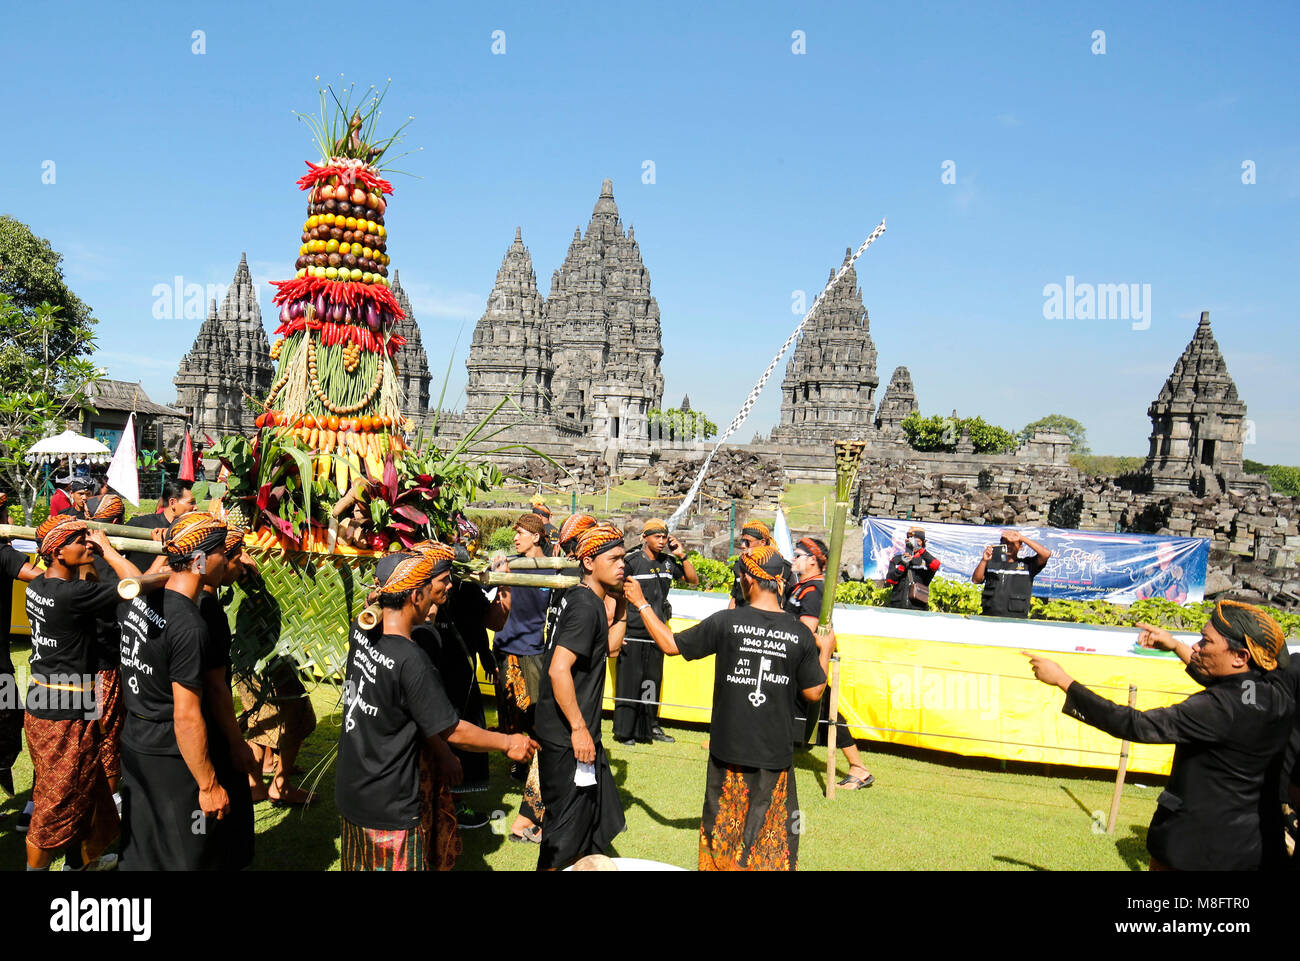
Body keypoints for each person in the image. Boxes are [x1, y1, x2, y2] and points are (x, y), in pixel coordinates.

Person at [1026, 600, 1297, 871]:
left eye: (1205, 641)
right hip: (1249, 847)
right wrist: (1174, 645)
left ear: (1240, 656)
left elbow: (1135, 724)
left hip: (1194, 849)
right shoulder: (1270, 693)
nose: (1196, 647)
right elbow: (1236, 683)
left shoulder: (1217, 709)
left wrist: (1064, 681)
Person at [628, 543, 834, 870]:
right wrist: (825, 650)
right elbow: (814, 692)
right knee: (770, 841)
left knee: (723, 836)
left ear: (748, 581)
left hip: (728, 751)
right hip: (774, 755)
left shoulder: (726, 621)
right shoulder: (799, 634)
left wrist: (641, 604)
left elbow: (669, 645)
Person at [336, 548, 536, 871]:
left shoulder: (361, 632)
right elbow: (452, 729)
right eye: (429, 590)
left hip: (353, 792)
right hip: (390, 806)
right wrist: (509, 742)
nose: (435, 597)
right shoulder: (411, 660)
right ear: (415, 595)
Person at [117, 512, 245, 871]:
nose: (227, 559)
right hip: (170, 756)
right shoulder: (190, 625)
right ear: (201, 558)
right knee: (185, 854)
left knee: (143, 847)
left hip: (136, 742)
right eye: (222, 551)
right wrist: (207, 785)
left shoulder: (137, 600)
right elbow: (186, 715)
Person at [23, 515, 139, 871]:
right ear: (58, 551)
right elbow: (135, 583)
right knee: (54, 804)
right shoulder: (73, 595)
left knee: (82, 789)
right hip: (64, 710)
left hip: (46, 700)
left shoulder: (39, 586)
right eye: (80, 541)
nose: (88, 544)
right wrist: (108, 550)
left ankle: (80, 863)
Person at [533, 523, 628, 870]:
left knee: (586, 827)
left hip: (571, 735)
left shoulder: (582, 598)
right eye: (615, 558)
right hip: (567, 739)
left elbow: (611, 649)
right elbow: (559, 669)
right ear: (588, 561)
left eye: (624, 558)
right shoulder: (586, 608)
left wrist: (623, 605)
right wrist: (578, 728)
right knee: (564, 837)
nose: (623, 565)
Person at [786, 536, 874, 789]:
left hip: (809, 664)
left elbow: (806, 631)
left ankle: (859, 769)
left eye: (798, 555)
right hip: (800, 663)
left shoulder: (814, 590)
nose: (794, 559)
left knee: (827, 713)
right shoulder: (802, 586)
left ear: (812, 560)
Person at [195, 526, 260, 867]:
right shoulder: (207, 614)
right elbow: (217, 689)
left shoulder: (183, 599)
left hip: (192, 729)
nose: (243, 564)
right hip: (210, 728)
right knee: (223, 816)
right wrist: (237, 742)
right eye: (236, 556)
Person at [491, 513, 558, 842]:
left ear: (536, 536)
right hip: (505, 646)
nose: (515, 537)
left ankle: (528, 761)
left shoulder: (553, 569)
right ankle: (516, 761)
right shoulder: (510, 564)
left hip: (532, 649)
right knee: (509, 709)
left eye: (520, 532)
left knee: (530, 711)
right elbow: (498, 604)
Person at [614, 518, 697, 745]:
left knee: (651, 682)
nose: (661, 541)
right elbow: (614, 593)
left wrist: (682, 555)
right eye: (656, 537)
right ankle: (624, 731)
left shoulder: (668, 563)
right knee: (630, 682)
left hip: (657, 632)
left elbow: (693, 580)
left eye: (664, 537)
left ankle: (650, 727)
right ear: (644, 537)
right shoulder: (631, 562)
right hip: (632, 631)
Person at [0, 497, 42, 800]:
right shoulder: (3, 554)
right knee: (11, 725)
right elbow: (42, 578)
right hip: (0, 670)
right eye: (6, 516)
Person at [972, 528, 1051, 618]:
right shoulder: (991, 563)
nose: (1008, 546)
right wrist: (984, 560)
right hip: (989, 616)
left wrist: (1021, 538)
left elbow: (1046, 554)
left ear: (1020, 546)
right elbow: (976, 580)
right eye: (1005, 543)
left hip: (1016, 618)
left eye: (1012, 543)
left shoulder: (1027, 565)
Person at [124, 479, 196, 572]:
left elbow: (200, 569)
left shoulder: (194, 531)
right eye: (191, 503)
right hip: (137, 585)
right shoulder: (138, 524)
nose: (196, 507)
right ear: (172, 503)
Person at [728, 520, 791, 609]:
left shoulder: (782, 567)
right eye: (742, 540)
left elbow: (791, 603)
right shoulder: (740, 565)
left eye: (747, 541)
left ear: (762, 542)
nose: (742, 545)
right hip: (742, 618)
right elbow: (735, 598)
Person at [884, 527, 941, 610]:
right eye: (911, 542)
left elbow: (936, 565)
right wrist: (903, 565)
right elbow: (890, 580)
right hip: (897, 605)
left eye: (917, 542)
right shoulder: (897, 559)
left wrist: (920, 549)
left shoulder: (925, 560)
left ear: (923, 543)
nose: (914, 544)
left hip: (918, 606)